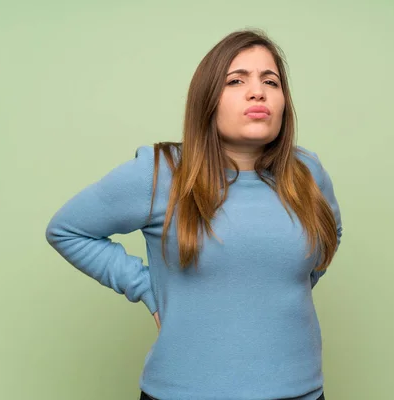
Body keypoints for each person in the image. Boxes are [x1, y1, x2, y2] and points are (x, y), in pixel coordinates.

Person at [45, 28, 343, 400]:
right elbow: (68, 230)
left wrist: (277, 277)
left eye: (271, 81)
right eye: (236, 80)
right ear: (207, 99)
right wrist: (147, 289)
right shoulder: (160, 172)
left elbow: (330, 236)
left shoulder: (307, 172)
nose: (258, 92)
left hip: (302, 393)